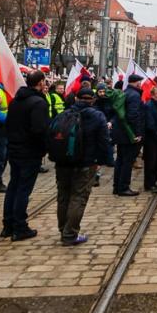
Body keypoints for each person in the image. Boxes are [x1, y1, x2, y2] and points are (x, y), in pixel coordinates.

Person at [56, 87, 110, 245]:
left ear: (76, 99)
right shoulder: (97, 115)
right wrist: (103, 161)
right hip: (86, 163)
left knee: (63, 195)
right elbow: (104, 141)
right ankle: (70, 234)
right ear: (92, 100)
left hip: (63, 162)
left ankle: (63, 229)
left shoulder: (65, 114)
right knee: (78, 197)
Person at [3, 70, 50, 241]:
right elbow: (39, 130)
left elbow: (9, 124)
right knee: (23, 189)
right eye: (44, 82)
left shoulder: (16, 100)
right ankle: (19, 226)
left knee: (13, 186)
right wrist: (44, 147)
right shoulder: (38, 102)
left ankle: (8, 224)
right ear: (40, 83)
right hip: (29, 151)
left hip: (15, 148)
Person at [112, 74, 145, 196]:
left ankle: (117, 186)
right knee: (127, 161)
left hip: (121, 133)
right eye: (140, 82)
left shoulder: (125, 92)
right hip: (129, 134)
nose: (141, 84)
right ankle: (124, 187)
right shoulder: (135, 95)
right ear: (137, 83)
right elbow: (133, 115)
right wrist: (137, 133)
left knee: (120, 160)